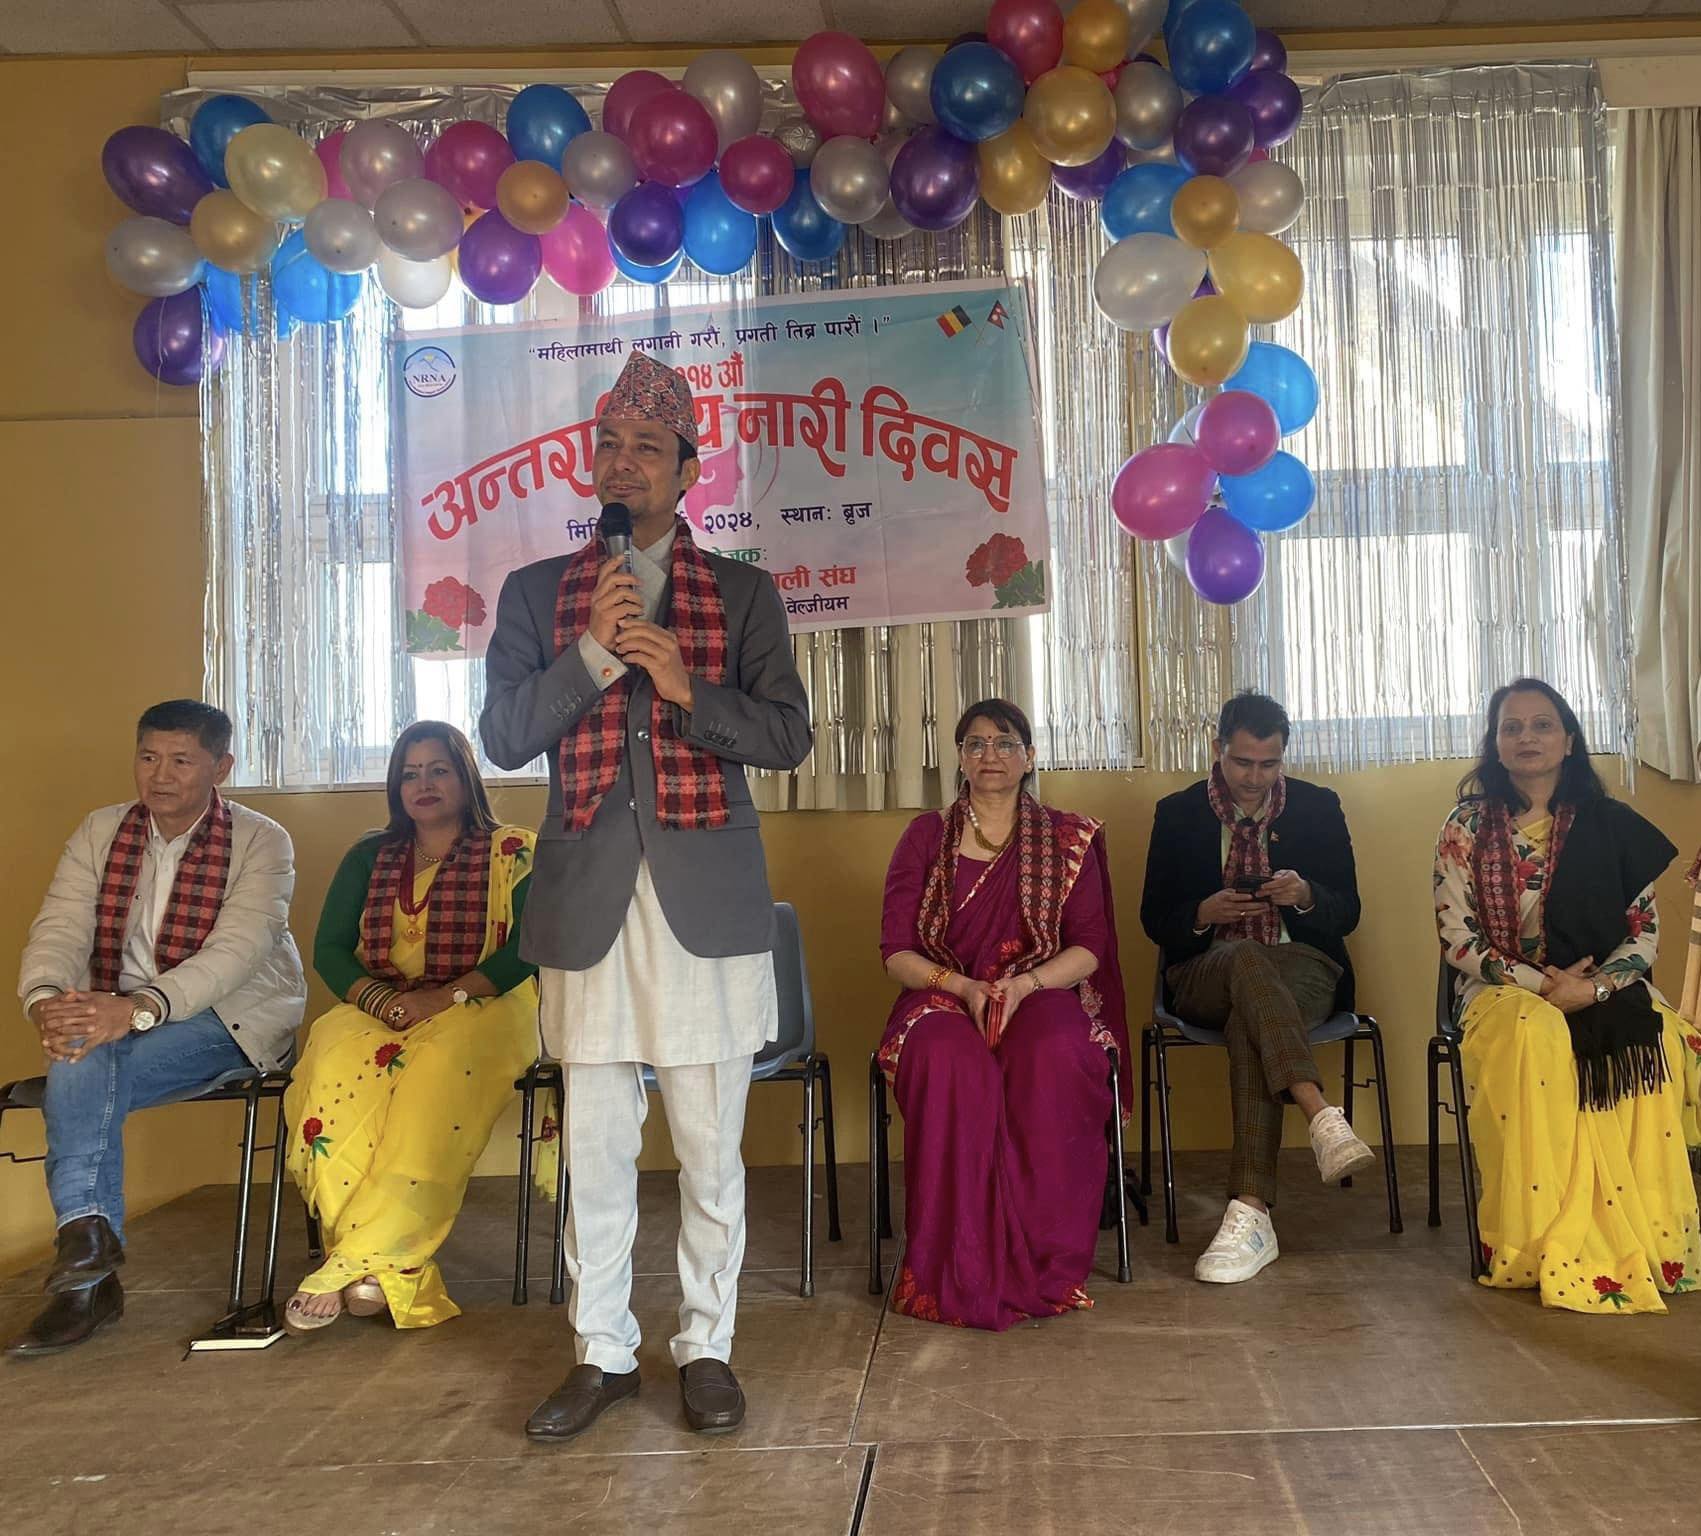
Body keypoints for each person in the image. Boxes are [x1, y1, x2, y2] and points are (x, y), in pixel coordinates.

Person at [480, 349, 812, 1440]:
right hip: (587, 900)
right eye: (609, 445)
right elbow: (504, 736)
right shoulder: (539, 594)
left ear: (687, 470)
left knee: (711, 1148)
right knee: (596, 1147)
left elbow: (788, 737)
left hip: (704, 902)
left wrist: (682, 685)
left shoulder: (744, 594)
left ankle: (706, 1346)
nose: (623, 464)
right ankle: (603, 1352)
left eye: (647, 449)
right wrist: (589, 651)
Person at [9, 700, 305, 1357]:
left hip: (229, 1019)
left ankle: (85, 1280)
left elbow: (236, 954)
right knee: (81, 1050)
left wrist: (137, 1009)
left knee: (81, 1065)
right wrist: (47, 1003)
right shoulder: (101, 830)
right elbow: (60, 926)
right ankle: (87, 1248)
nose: (160, 775)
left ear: (221, 767)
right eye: (148, 757)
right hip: (116, 1016)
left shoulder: (262, 841)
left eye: (180, 760)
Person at [1435, 678, 1701, 1314]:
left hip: (1600, 984)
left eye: (1542, 724)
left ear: (1570, 740)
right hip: (1501, 990)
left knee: (1665, 1038)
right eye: (1511, 727)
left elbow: (1644, 933)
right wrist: (1546, 987)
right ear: (1495, 744)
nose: (1526, 737)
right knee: (1535, 1034)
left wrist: (1594, 987)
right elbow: (1458, 939)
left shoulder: (1611, 825)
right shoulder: (1465, 826)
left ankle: (1647, 1241)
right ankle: (1538, 1241)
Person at [280, 722, 542, 1335]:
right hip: (384, 1006)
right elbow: (329, 949)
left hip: (484, 1005)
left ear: (466, 777)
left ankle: (348, 1266)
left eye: (438, 770)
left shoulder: (514, 851)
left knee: (431, 1089)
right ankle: (388, 1271)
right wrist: (384, 1002)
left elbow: (531, 946)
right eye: (409, 774)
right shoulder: (370, 856)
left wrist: (445, 997)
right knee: (331, 1067)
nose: (423, 784)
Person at [878, 700, 1129, 1330]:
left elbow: (1089, 948)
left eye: (1006, 742)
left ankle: (1045, 1265)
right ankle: (954, 1271)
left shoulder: (1068, 839)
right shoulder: (924, 836)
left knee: (1056, 1056)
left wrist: (1023, 985)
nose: (991, 755)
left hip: (1038, 989)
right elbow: (897, 951)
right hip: (942, 992)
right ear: (960, 757)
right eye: (976, 743)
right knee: (949, 1064)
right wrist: (963, 987)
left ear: (1030, 756)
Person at [1139, 690, 1374, 1285]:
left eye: (1269, 764)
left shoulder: (1318, 807)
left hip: (1302, 967)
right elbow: (1154, 920)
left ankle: (1251, 1215)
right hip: (1205, 972)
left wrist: (1306, 895)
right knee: (1244, 959)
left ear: (1283, 756)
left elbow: (1347, 913)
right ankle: (1318, 1111)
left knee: (1254, 1015)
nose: (1254, 777)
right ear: (1218, 749)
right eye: (1242, 762)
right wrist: (1203, 913)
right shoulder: (1178, 813)